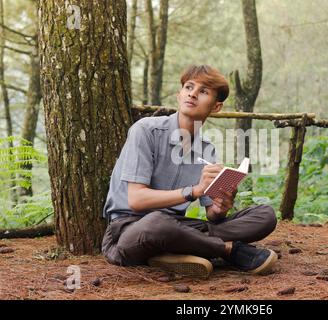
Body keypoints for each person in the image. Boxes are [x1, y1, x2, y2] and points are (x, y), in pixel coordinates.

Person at [101, 65, 278, 277]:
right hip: (129, 229)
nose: (193, 93)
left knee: (265, 215)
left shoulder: (207, 149)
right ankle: (229, 250)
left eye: (203, 91)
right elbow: (137, 200)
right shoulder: (146, 130)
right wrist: (194, 190)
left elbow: (212, 216)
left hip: (179, 227)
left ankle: (174, 251)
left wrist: (221, 206)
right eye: (189, 87)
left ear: (216, 107)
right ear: (179, 95)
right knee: (157, 223)